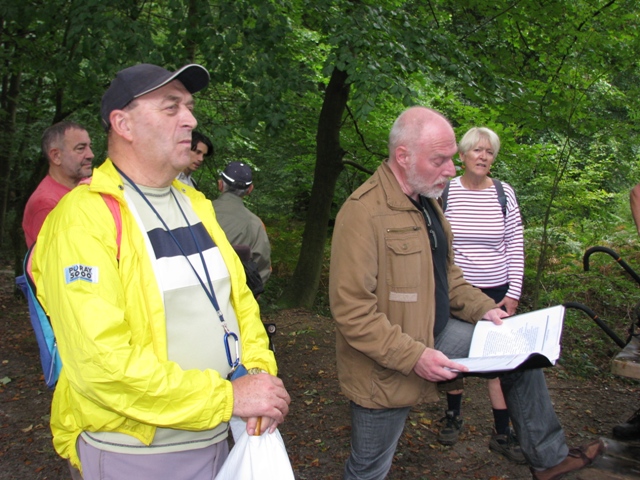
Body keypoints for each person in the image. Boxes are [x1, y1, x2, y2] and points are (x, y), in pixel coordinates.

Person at [31, 63, 290, 480]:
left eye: (188, 106)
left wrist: (259, 376)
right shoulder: (82, 219)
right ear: (123, 124)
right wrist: (227, 398)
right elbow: (102, 365)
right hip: (136, 456)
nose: (190, 119)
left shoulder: (195, 204)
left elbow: (239, 304)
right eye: (171, 108)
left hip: (221, 440)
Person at [329, 106, 603, 480]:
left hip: (439, 332)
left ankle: (550, 460)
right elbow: (352, 311)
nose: (451, 170)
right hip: (385, 364)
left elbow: (448, 276)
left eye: (451, 158)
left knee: (523, 356)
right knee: (369, 468)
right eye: (440, 160)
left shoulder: (428, 202)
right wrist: (414, 356)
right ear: (403, 156)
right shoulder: (363, 213)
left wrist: (484, 309)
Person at [438, 127, 525, 463]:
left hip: (497, 293)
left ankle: (502, 431)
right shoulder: (445, 193)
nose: (483, 157)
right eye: (477, 150)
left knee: (499, 361)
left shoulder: (504, 193)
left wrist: (514, 293)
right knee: (454, 355)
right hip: (456, 293)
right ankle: (452, 416)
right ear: (462, 156)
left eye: (489, 152)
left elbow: (515, 245)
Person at [22, 121, 94, 247]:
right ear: (56, 156)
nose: (90, 155)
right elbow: (54, 261)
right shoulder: (45, 203)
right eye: (81, 148)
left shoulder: (87, 185)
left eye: (89, 146)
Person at [213, 162, 272, 286]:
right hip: (234, 294)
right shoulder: (256, 224)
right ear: (250, 189)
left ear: (220, 185)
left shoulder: (196, 211)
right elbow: (262, 267)